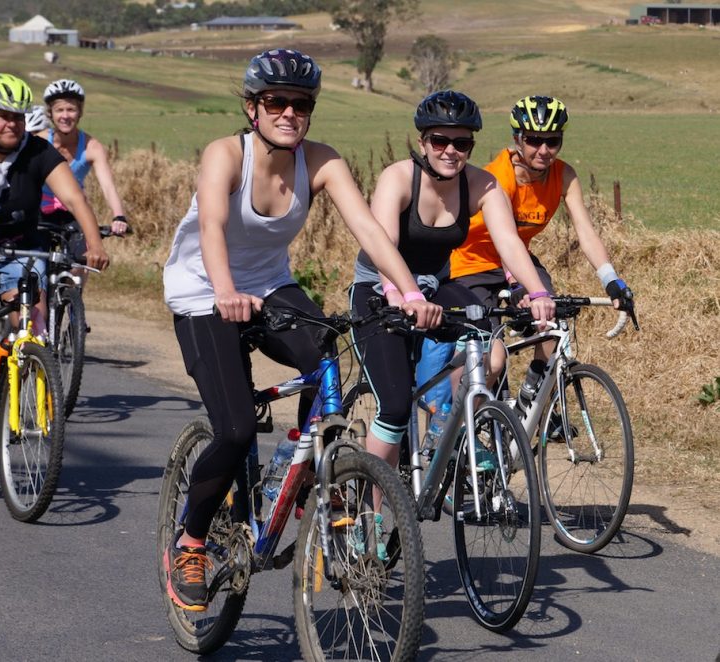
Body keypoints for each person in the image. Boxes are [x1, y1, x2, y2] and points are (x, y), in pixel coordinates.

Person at [161, 48, 442, 611]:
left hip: (269, 286)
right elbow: (213, 226)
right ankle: (190, 541)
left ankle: (309, 465)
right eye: (276, 102)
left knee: (325, 360)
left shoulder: (320, 161)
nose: (289, 113)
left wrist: (408, 291)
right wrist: (223, 290)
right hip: (203, 292)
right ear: (252, 108)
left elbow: (368, 228)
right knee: (236, 428)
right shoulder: (225, 155)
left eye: (301, 104)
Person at [350, 90, 556, 479]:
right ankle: (370, 515)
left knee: (491, 350)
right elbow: (382, 247)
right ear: (422, 141)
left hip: (434, 287)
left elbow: (509, 243)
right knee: (394, 408)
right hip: (381, 291)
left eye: (461, 143)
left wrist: (537, 292)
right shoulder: (398, 178)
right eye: (440, 141)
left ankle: (447, 431)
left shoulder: (481, 184)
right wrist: (402, 295)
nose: (450, 151)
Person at [0, 73, 110, 424]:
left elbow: (74, 198)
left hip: (22, 248)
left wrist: (94, 243)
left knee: (33, 323)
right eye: (3, 115)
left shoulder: (37, 152)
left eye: (17, 116)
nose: (11, 124)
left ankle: (7, 374)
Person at [450, 95, 634, 396]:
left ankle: (531, 397)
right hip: (472, 263)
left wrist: (611, 280)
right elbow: (504, 238)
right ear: (517, 138)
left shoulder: (564, 175)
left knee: (552, 325)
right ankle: (473, 423)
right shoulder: (498, 176)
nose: (544, 150)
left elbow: (586, 234)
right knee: (491, 362)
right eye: (534, 140)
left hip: (518, 258)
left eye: (553, 141)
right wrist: (521, 287)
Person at [37, 78, 129, 239]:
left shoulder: (92, 147)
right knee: (35, 261)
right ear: (50, 113)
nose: (65, 116)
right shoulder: (39, 142)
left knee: (86, 259)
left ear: (80, 112)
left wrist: (119, 216)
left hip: (75, 211)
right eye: (59, 110)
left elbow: (108, 186)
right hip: (39, 212)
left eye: (71, 109)